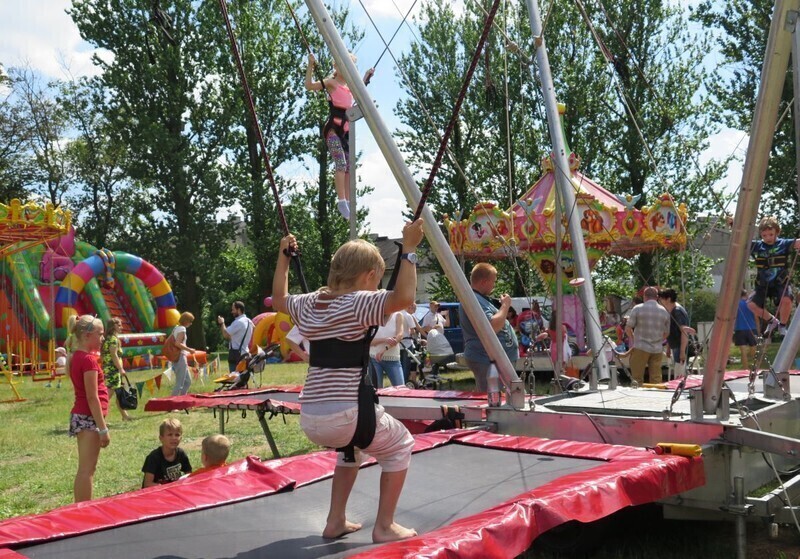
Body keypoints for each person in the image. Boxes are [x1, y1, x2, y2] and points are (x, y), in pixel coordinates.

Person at [272, 218, 423, 543]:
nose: (377, 285)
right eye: (377, 279)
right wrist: (408, 249)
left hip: (311, 416)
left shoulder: (309, 303)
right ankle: (385, 526)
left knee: (351, 450)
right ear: (369, 276)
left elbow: (279, 299)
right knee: (401, 445)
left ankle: (335, 521)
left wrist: (283, 258)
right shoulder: (360, 302)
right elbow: (403, 296)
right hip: (346, 414)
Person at [305, 53, 375, 220]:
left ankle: (349, 201)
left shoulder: (351, 85)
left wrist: (366, 75)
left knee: (350, 166)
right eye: (345, 65)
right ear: (336, 66)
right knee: (341, 164)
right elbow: (309, 85)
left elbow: (361, 89)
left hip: (346, 130)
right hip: (333, 131)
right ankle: (341, 201)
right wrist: (311, 65)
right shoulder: (331, 82)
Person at [459, 263, 519, 392]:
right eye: (493, 281)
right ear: (485, 281)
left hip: (492, 359)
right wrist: (505, 305)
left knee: (500, 398)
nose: (494, 285)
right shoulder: (474, 299)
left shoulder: (479, 299)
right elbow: (492, 327)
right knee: (492, 400)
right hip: (486, 359)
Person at [69, 315, 109, 502]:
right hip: (88, 418)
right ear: (86, 335)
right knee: (87, 470)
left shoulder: (76, 357)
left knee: (85, 469)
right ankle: (84, 511)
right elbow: (92, 398)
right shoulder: (88, 361)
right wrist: (103, 429)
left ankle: (81, 508)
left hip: (82, 416)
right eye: (100, 334)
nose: (103, 338)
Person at [748, 216, 800, 336]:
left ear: (777, 232)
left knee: (786, 300)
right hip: (763, 284)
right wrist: (732, 224)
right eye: (764, 235)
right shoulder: (757, 246)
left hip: (780, 281)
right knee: (751, 305)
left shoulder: (783, 243)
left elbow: (797, 242)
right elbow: (740, 239)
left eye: (771, 234)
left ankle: (782, 325)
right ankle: (772, 321)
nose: (768, 238)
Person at [625, 287, 670, 385]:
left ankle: (638, 398)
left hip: (640, 347)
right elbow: (667, 333)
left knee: (637, 379)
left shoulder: (637, 308)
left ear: (644, 296)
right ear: (657, 297)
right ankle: (655, 398)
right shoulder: (664, 311)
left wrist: (633, 339)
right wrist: (658, 340)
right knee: (656, 379)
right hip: (657, 349)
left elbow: (628, 329)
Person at [142, 418, 192, 487]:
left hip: (175, 491)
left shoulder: (181, 454)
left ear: (181, 438)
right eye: (170, 434)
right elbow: (147, 484)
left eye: (177, 435)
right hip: (157, 493)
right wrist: (165, 488)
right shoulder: (153, 457)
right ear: (161, 438)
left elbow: (189, 476)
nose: (174, 438)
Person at [101, 317, 131, 421]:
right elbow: (114, 355)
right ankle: (99, 419)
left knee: (119, 394)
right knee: (107, 396)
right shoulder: (113, 339)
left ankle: (125, 416)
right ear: (113, 327)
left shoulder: (107, 338)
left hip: (109, 369)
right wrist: (120, 368)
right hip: (113, 370)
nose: (121, 327)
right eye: (119, 325)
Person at [658, 288, 690, 376]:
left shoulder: (677, 311)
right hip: (675, 345)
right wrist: (668, 347)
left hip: (680, 346)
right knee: (677, 371)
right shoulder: (671, 310)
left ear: (668, 299)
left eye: (661, 298)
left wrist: (682, 351)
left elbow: (684, 331)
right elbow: (671, 330)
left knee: (680, 373)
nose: (659, 301)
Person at [370, 312, 405, 387]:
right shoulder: (373, 316)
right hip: (374, 359)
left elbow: (400, 336)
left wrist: (385, 349)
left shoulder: (398, 315)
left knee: (400, 389)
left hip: (393, 359)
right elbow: (368, 341)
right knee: (376, 391)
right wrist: (384, 340)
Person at [217, 301, 254, 373]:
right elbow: (254, 328)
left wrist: (222, 323)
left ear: (239, 310)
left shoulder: (238, 322)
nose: (232, 312)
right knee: (243, 378)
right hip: (245, 353)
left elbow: (225, 334)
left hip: (236, 355)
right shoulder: (249, 321)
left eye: (233, 309)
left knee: (234, 378)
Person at [170, 312, 195, 396]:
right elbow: (177, 343)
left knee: (188, 381)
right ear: (186, 321)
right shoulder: (182, 329)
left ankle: (182, 400)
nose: (191, 324)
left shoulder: (177, 328)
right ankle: (173, 404)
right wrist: (190, 350)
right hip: (180, 357)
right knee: (180, 383)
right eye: (190, 321)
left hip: (180, 356)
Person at [735, 289, 758, 370]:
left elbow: (734, 317)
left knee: (743, 352)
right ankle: (755, 368)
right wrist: (758, 329)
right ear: (746, 295)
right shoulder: (751, 304)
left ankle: (745, 369)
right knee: (754, 350)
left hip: (740, 329)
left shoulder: (736, 304)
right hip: (752, 328)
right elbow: (756, 317)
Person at [399, 303, 421, 382]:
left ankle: (399, 381)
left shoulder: (396, 314)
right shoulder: (408, 316)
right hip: (407, 343)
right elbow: (412, 330)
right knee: (406, 365)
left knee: (399, 364)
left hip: (398, 343)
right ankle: (404, 382)